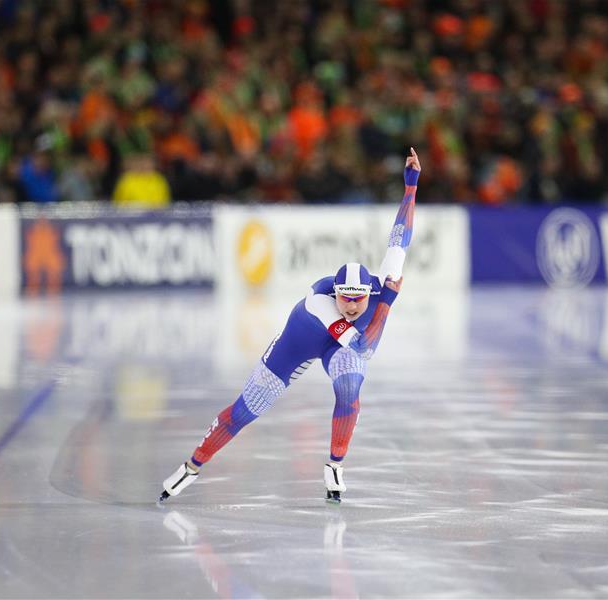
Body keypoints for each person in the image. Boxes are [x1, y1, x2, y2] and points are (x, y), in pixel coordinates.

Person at [159, 148, 421, 504]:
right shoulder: (321, 305)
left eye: (360, 299)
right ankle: (191, 466)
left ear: (369, 291)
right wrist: (386, 305)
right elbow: (365, 347)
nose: (352, 306)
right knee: (244, 411)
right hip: (302, 339)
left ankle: (335, 464)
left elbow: (400, 235)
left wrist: (410, 186)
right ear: (336, 293)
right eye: (346, 298)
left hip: (341, 346)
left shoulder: (386, 279)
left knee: (349, 391)